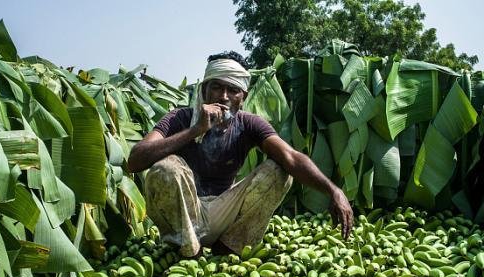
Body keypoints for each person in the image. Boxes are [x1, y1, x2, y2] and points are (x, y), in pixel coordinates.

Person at [127, 51, 353, 257]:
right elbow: (135, 160)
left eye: (233, 90)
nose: (224, 96)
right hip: (185, 217)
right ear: (204, 90)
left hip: (225, 213)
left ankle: (226, 250)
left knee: (278, 169)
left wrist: (333, 190)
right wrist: (195, 131)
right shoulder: (180, 119)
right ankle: (189, 251)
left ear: (242, 97)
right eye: (216, 87)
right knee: (166, 168)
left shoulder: (248, 124)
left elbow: (291, 157)